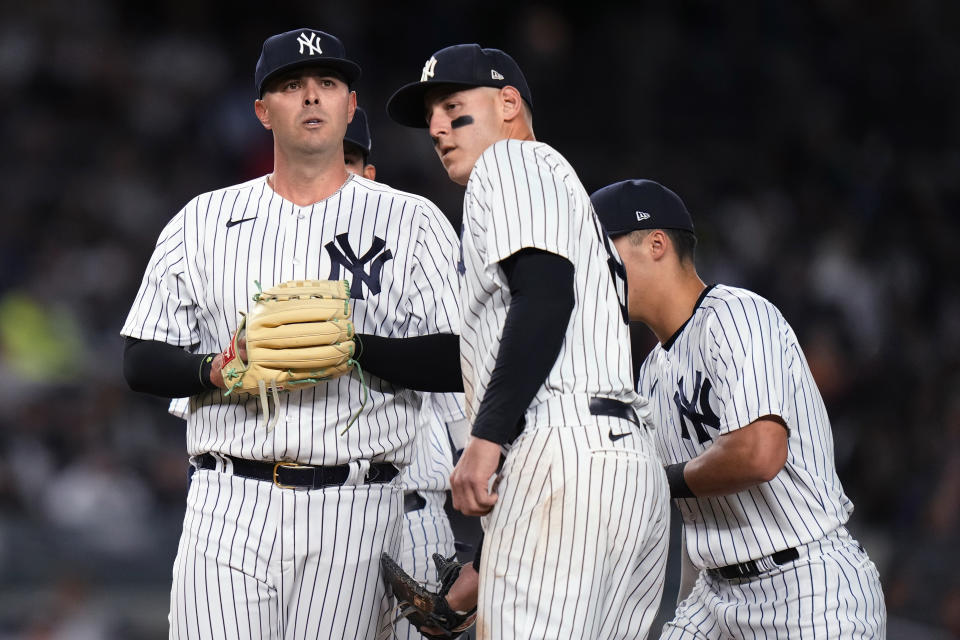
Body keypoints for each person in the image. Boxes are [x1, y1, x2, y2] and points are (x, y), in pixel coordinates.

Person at [121, 28, 461, 639]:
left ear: (350, 105)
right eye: (291, 86)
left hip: (358, 502)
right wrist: (213, 371)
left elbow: (459, 357)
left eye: (327, 84)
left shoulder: (413, 221)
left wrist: (355, 348)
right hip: (230, 497)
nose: (311, 98)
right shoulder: (202, 221)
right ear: (262, 111)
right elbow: (139, 358)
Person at [386, 45, 669, 640]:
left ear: (508, 103)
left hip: (559, 447)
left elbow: (544, 297)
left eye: (453, 106)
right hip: (619, 462)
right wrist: (361, 351)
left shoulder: (510, 164)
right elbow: (470, 353)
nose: (436, 127)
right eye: (430, 115)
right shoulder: (558, 190)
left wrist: (485, 441)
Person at [590, 178, 887, 639]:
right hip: (716, 595)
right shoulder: (650, 371)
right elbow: (671, 508)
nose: (594, 272)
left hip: (807, 588)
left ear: (655, 244)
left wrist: (649, 479)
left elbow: (759, 453)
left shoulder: (736, 315)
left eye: (602, 253)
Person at [342, 106, 473, 640]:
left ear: (369, 173)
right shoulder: (258, 257)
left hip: (415, 516)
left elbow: (460, 390)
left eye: (348, 159)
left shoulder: (414, 256)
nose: (336, 173)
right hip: (309, 509)